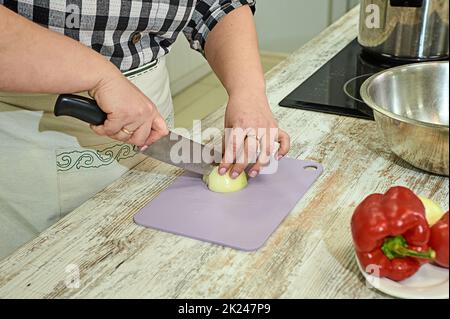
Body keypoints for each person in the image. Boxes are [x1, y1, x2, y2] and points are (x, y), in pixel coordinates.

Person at [0, 0, 291, 259]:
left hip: (148, 121)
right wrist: (99, 76)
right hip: (29, 124)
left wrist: (249, 92)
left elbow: (217, 4)